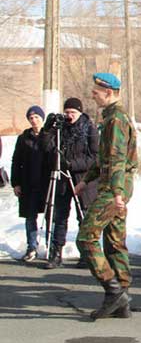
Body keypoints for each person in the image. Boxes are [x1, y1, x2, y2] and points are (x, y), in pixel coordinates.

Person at [75, 73, 137, 320]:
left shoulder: (116, 120)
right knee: (114, 242)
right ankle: (121, 301)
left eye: (96, 91)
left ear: (109, 92)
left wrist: (117, 193)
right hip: (115, 184)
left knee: (86, 238)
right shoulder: (111, 117)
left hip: (114, 187)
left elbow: (117, 159)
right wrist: (85, 180)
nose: (92, 94)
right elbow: (103, 158)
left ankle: (114, 291)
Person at [40, 98, 99, 269]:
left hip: (84, 179)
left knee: (84, 217)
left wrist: (73, 164)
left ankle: (86, 254)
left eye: (73, 113)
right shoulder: (61, 128)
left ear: (80, 113)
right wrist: (48, 130)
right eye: (67, 112)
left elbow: (95, 157)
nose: (69, 116)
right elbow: (45, 148)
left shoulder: (89, 128)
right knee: (59, 216)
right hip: (62, 178)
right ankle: (56, 253)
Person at [11, 105, 50, 262]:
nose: (34, 120)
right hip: (28, 184)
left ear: (42, 118)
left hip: (46, 183)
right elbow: (16, 161)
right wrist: (16, 183)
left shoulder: (50, 135)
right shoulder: (23, 138)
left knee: (50, 216)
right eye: (31, 118)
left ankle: (51, 247)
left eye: (37, 117)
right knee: (30, 217)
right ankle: (31, 247)